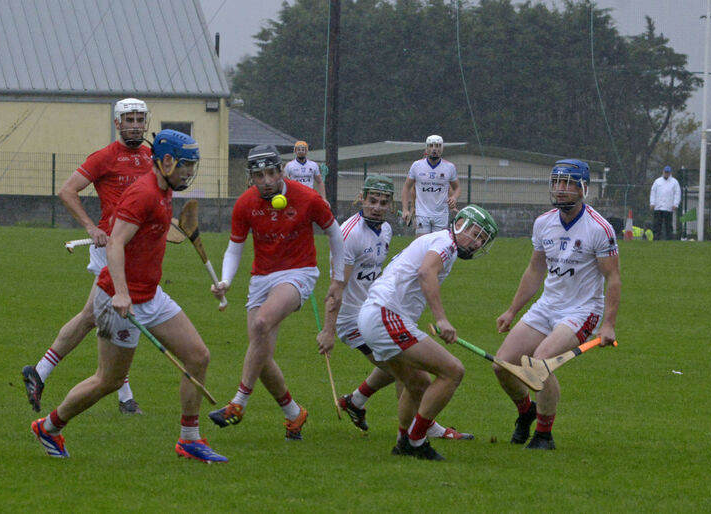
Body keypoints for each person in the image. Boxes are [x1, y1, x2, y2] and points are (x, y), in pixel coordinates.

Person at [31, 129, 227, 462]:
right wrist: (121, 293)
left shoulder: (165, 190)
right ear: (166, 161)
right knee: (108, 381)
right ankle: (49, 427)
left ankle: (189, 440)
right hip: (118, 300)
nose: (189, 173)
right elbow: (115, 243)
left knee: (198, 357)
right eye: (186, 165)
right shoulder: (143, 194)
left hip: (151, 295)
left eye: (193, 166)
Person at [22, 98, 153, 415]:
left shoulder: (152, 157)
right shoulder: (105, 157)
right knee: (111, 314)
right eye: (129, 119)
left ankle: (39, 372)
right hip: (112, 248)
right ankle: (125, 398)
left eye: (140, 119)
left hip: (139, 251)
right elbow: (67, 191)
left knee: (95, 316)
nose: (135, 125)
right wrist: (91, 227)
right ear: (117, 123)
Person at [317, 175, 472, 440]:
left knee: (403, 367)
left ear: (391, 205)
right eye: (372, 200)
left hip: (376, 309)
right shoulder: (350, 234)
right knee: (410, 372)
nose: (377, 207)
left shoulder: (385, 230)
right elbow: (337, 286)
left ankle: (356, 402)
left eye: (383, 202)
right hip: (351, 318)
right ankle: (419, 430)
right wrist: (328, 330)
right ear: (361, 199)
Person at [208, 144, 345, 441]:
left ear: (281, 171)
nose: (267, 181)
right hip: (261, 277)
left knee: (261, 324)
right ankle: (294, 414)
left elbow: (335, 233)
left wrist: (338, 278)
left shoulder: (307, 197)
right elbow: (235, 247)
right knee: (261, 355)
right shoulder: (245, 203)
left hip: (299, 273)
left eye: (271, 173)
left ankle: (238, 403)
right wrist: (226, 280)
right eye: (259, 176)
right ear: (251, 177)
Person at [356, 204, 498, 460]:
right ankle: (416, 441)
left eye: (482, 240)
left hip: (377, 315)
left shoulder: (440, 242)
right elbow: (425, 272)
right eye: (476, 235)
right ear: (460, 225)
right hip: (385, 315)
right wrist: (441, 319)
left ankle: (403, 442)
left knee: (417, 383)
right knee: (453, 371)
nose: (477, 243)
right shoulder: (446, 243)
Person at [495, 159, 620, 450]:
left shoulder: (599, 228)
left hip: (582, 310)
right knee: (503, 365)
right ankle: (526, 411)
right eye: (557, 182)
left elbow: (613, 279)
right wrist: (512, 310)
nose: (561, 189)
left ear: (583, 188)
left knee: (539, 364)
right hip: (547, 306)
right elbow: (535, 270)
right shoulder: (543, 223)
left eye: (568, 184)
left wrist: (609, 324)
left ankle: (544, 434)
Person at [401, 135, 460, 237]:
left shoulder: (450, 167)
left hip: (441, 215)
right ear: (426, 148)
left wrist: (454, 198)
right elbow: (407, 187)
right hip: (422, 214)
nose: (434, 149)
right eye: (431, 146)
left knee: (438, 244)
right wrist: (405, 209)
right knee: (422, 243)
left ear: (442, 148)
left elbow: (457, 187)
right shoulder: (416, 166)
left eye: (437, 146)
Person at [649, 165, 681, 240]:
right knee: (657, 224)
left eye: (668, 172)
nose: (666, 174)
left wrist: (675, 204)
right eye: (665, 172)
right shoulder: (657, 181)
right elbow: (653, 192)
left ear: (670, 173)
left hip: (668, 207)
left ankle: (669, 238)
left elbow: (677, 193)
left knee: (668, 225)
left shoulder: (674, 182)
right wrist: (652, 203)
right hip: (658, 207)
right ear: (663, 172)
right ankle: (656, 238)